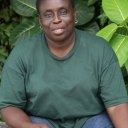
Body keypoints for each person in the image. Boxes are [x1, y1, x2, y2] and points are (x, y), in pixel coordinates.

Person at [0, 0, 128, 128]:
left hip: (92, 122)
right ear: (40, 20)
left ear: (74, 14)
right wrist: (26, 125)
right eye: (48, 15)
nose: (56, 20)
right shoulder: (22, 54)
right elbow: (9, 105)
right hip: (41, 122)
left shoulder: (100, 49)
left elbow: (116, 105)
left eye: (63, 12)